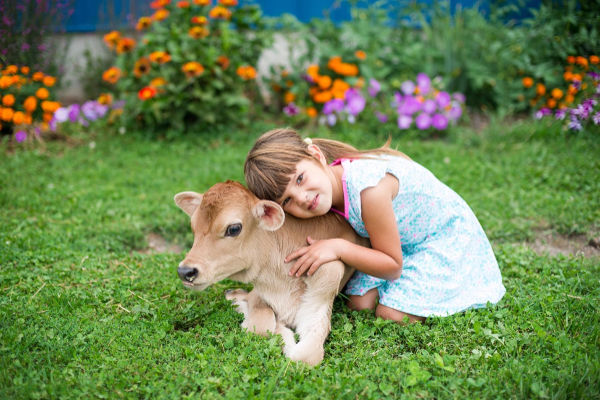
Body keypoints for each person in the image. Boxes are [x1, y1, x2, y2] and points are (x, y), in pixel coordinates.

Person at [244, 128, 505, 324]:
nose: (302, 197)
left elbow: (392, 266)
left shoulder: (369, 192)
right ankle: (406, 289)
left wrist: (338, 247)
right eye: (287, 200)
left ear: (315, 155)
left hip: (444, 238)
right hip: (403, 242)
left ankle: (436, 290)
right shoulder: (329, 187)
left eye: (300, 178)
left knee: (389, 313)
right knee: (359, 303)